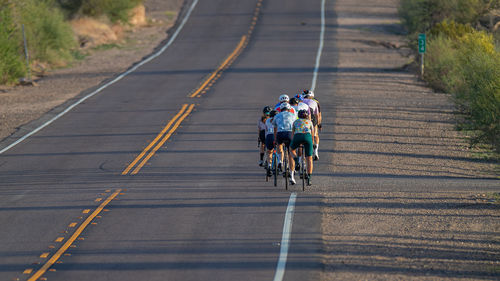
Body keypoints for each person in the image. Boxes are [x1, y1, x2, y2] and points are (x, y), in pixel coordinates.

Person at [289, 109, 315, 185]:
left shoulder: (295, 122)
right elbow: (312, 134)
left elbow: (292, 134)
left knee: (291, 149)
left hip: (297, 136)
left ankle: (296, 160)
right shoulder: (310, 122)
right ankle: (309, 178)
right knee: (309, 158)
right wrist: (312, 143)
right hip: (307, 137)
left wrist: (294, 143)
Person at [272, 102, 295, 175]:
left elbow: (275, 127)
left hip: (280, 133)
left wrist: (275, 139)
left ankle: (280, 162)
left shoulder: (277, 115)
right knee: (290, 154)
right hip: (289, 133)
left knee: (279, 145)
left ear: (281, 109)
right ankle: (292, 176)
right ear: (289, 109)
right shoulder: (293, 115)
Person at [301, 90, 320, 160]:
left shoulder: (301, 101)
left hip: (302, 118)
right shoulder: (314, 101)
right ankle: (316, 152)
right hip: (312, 118)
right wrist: (318, 123)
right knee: (315, 135)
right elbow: (317, 114)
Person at [264, 110, 277, 176]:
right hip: (276, 136)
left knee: (269, 152)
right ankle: (280, 162)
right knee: (281, 149)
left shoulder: (267, 120)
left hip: (269, 136)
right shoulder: (278, 120)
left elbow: (266, 130)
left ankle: (269, 165)